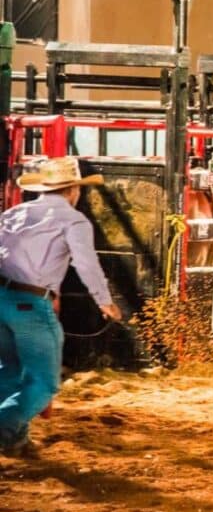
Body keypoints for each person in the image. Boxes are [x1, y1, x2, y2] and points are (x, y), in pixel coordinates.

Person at [0, 157, 122, 457]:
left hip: (2, 299)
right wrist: (104, 301)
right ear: (73, 191)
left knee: (10, 371)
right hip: (31, 304)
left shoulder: (13, 213)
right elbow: (86, 263)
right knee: (45, 383)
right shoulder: (73, 220)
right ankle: (4, 429)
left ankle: (16, 440)